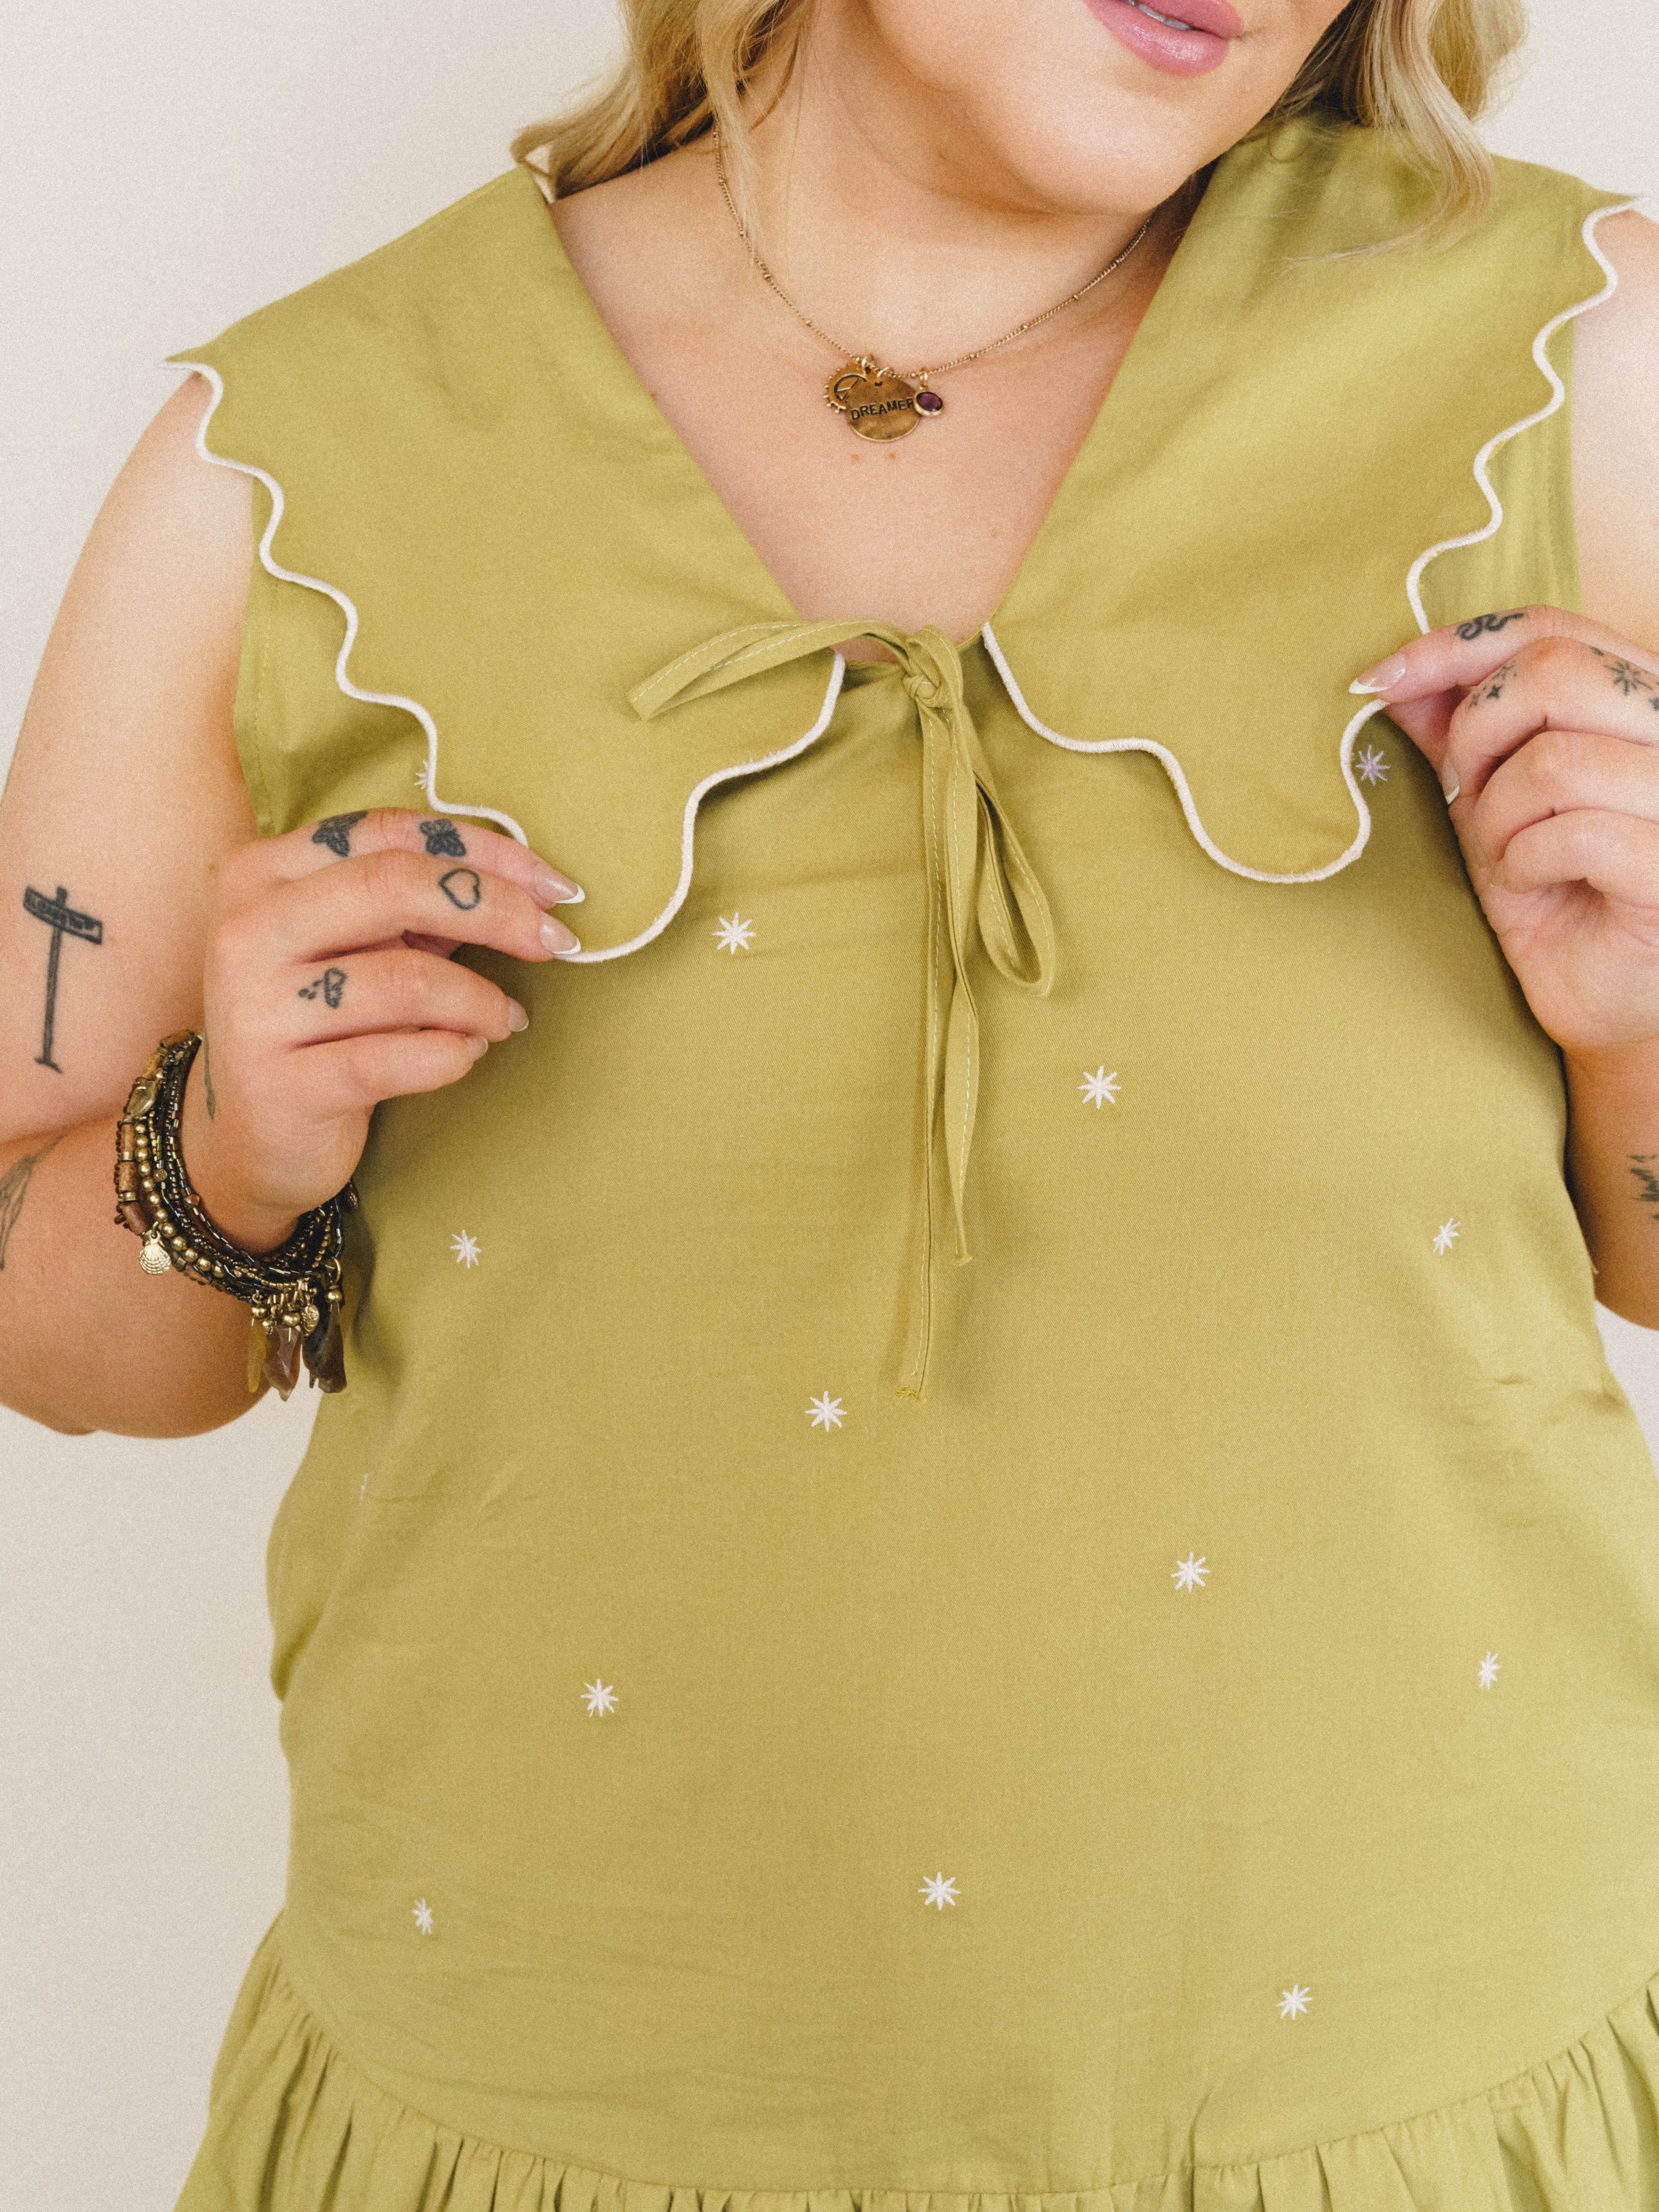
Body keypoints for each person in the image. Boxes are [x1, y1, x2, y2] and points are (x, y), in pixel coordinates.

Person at [5, 0, 1659, 2201]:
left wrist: (1639, 1020)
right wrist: (225, 1146)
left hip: (1420, 2114)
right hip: (547, 2111)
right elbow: (48, 1323)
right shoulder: (283, 464)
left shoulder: (1573, 364)